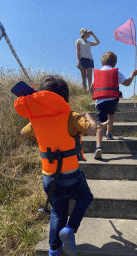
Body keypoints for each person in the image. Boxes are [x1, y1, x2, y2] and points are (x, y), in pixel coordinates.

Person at [14, 76, 108, 256]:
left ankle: (54, 250)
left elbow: (22, 133)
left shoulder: (35, 120)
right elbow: (94, 129)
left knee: (58, 211)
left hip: (49, 177)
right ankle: (70, 229)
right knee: (86, 196)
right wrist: (88, 117)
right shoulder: (71, 117)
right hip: (70, 175)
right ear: (65, 98)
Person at [90, 51, 137, 159]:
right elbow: (127, 83)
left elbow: (92, 87)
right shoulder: (116, 72)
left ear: (102, 62)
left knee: (100, 123)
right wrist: (132, 75)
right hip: (113, 100)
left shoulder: (96, 73)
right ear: (114, 63)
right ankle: (109, 133)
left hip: (101, 101)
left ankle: (98, 147)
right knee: (111, 114)